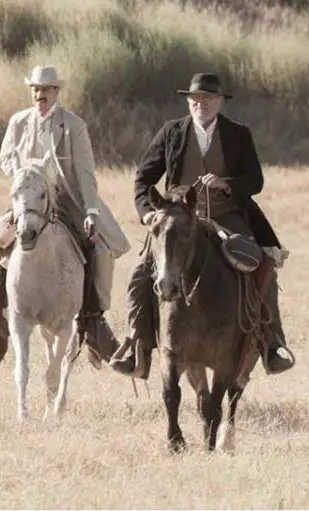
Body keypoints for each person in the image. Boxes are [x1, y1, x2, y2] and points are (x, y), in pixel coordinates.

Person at [108, 72, 295, 379]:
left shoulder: (238, 134)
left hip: (227, 214)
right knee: (140, 273)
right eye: (196, 99)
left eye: (208, 98)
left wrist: (226, 183)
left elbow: (255, 181)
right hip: (178, 217)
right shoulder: (172, 132)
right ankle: (137, 347)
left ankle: (270, 343)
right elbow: (143, 178)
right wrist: (147, 214)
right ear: (189, 101)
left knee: (260, 263)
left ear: (220, 102)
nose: (201, 104)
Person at [0, 65, 130, 362]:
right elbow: (4, 156)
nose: (41, 95)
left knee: (101, 250)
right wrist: (23, 174)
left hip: (67, 200)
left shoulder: (73, 125)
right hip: (29, 198)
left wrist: (91, 210)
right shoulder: (18, 121)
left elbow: (85, 171)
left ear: (56, 92)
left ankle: (94, 319)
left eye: (47, 89)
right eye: (36, 90)